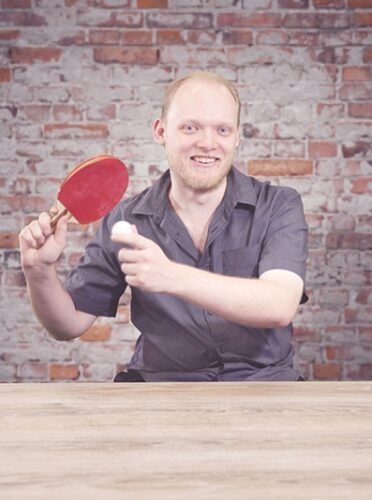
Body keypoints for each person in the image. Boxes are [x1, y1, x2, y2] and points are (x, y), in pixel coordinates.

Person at [19, 71, 308, 382]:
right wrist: (39, 272)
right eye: (190, 127)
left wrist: (170, 276)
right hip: (160, 386)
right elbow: (67, 325)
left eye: (222, 129)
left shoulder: (279, 205)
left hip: (264, 384)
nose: (208, 143)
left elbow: (280, 305)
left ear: (237, 136)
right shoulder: (124, 219)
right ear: (161, 131)